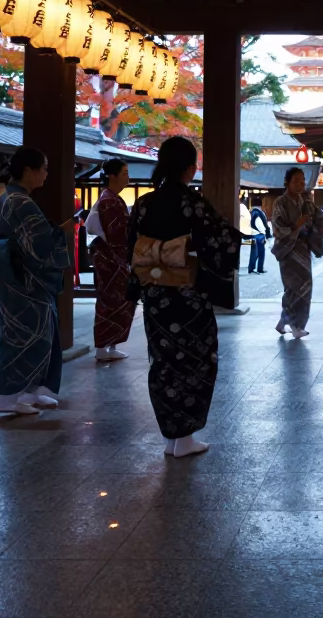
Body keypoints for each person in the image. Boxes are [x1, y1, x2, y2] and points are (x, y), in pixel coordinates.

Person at [128, 136, 242, 457]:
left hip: (155, 296)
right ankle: (185, 437)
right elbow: (222, 241)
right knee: (195, 361)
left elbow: (130, 249)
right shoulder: (193, 203)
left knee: (162, 362)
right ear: (190, 168)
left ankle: (172, 436)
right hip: (189, 299)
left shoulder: (144, 203)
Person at [0, 147, 71, 414]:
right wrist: (60, 233)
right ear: (29, 170)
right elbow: (40, 244)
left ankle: (32, 391)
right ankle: (9, 397)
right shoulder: (21, 202)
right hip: (26, 280)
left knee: (40, 334)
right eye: (45, 168)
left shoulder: (9, 198)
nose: (47, 174)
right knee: (27, 336)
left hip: (18, 278)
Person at [272, 167, 323, 340]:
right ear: (287, 182)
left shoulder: (306, 201)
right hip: (288, 250)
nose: (300, 184)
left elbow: (319, 217)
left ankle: (285, 322)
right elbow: (278, 226)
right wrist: (297, 225)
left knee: (304, 288)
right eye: (296, 181)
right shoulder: (280, 202)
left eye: (302, 181)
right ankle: (296, 325)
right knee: (292, 288)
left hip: (303, 250)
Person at [87, 159, 135, 361]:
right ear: (112, 176)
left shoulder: (110, 199)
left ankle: (109, 345)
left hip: (111, 257)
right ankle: (103, 347)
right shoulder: (110, 201)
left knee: (115, 301)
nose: (128, 177)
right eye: (124, 173)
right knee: (113, 301)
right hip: (113, 258)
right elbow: (118, 235)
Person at [248, 199, 271, 274]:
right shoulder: (258, 213)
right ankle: (258, 268)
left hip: (254, 234)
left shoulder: (251, 212)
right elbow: (260, 224)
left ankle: (253, 268)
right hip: (259, 234)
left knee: (256, 252)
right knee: (260, 253)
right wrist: (263, 232)